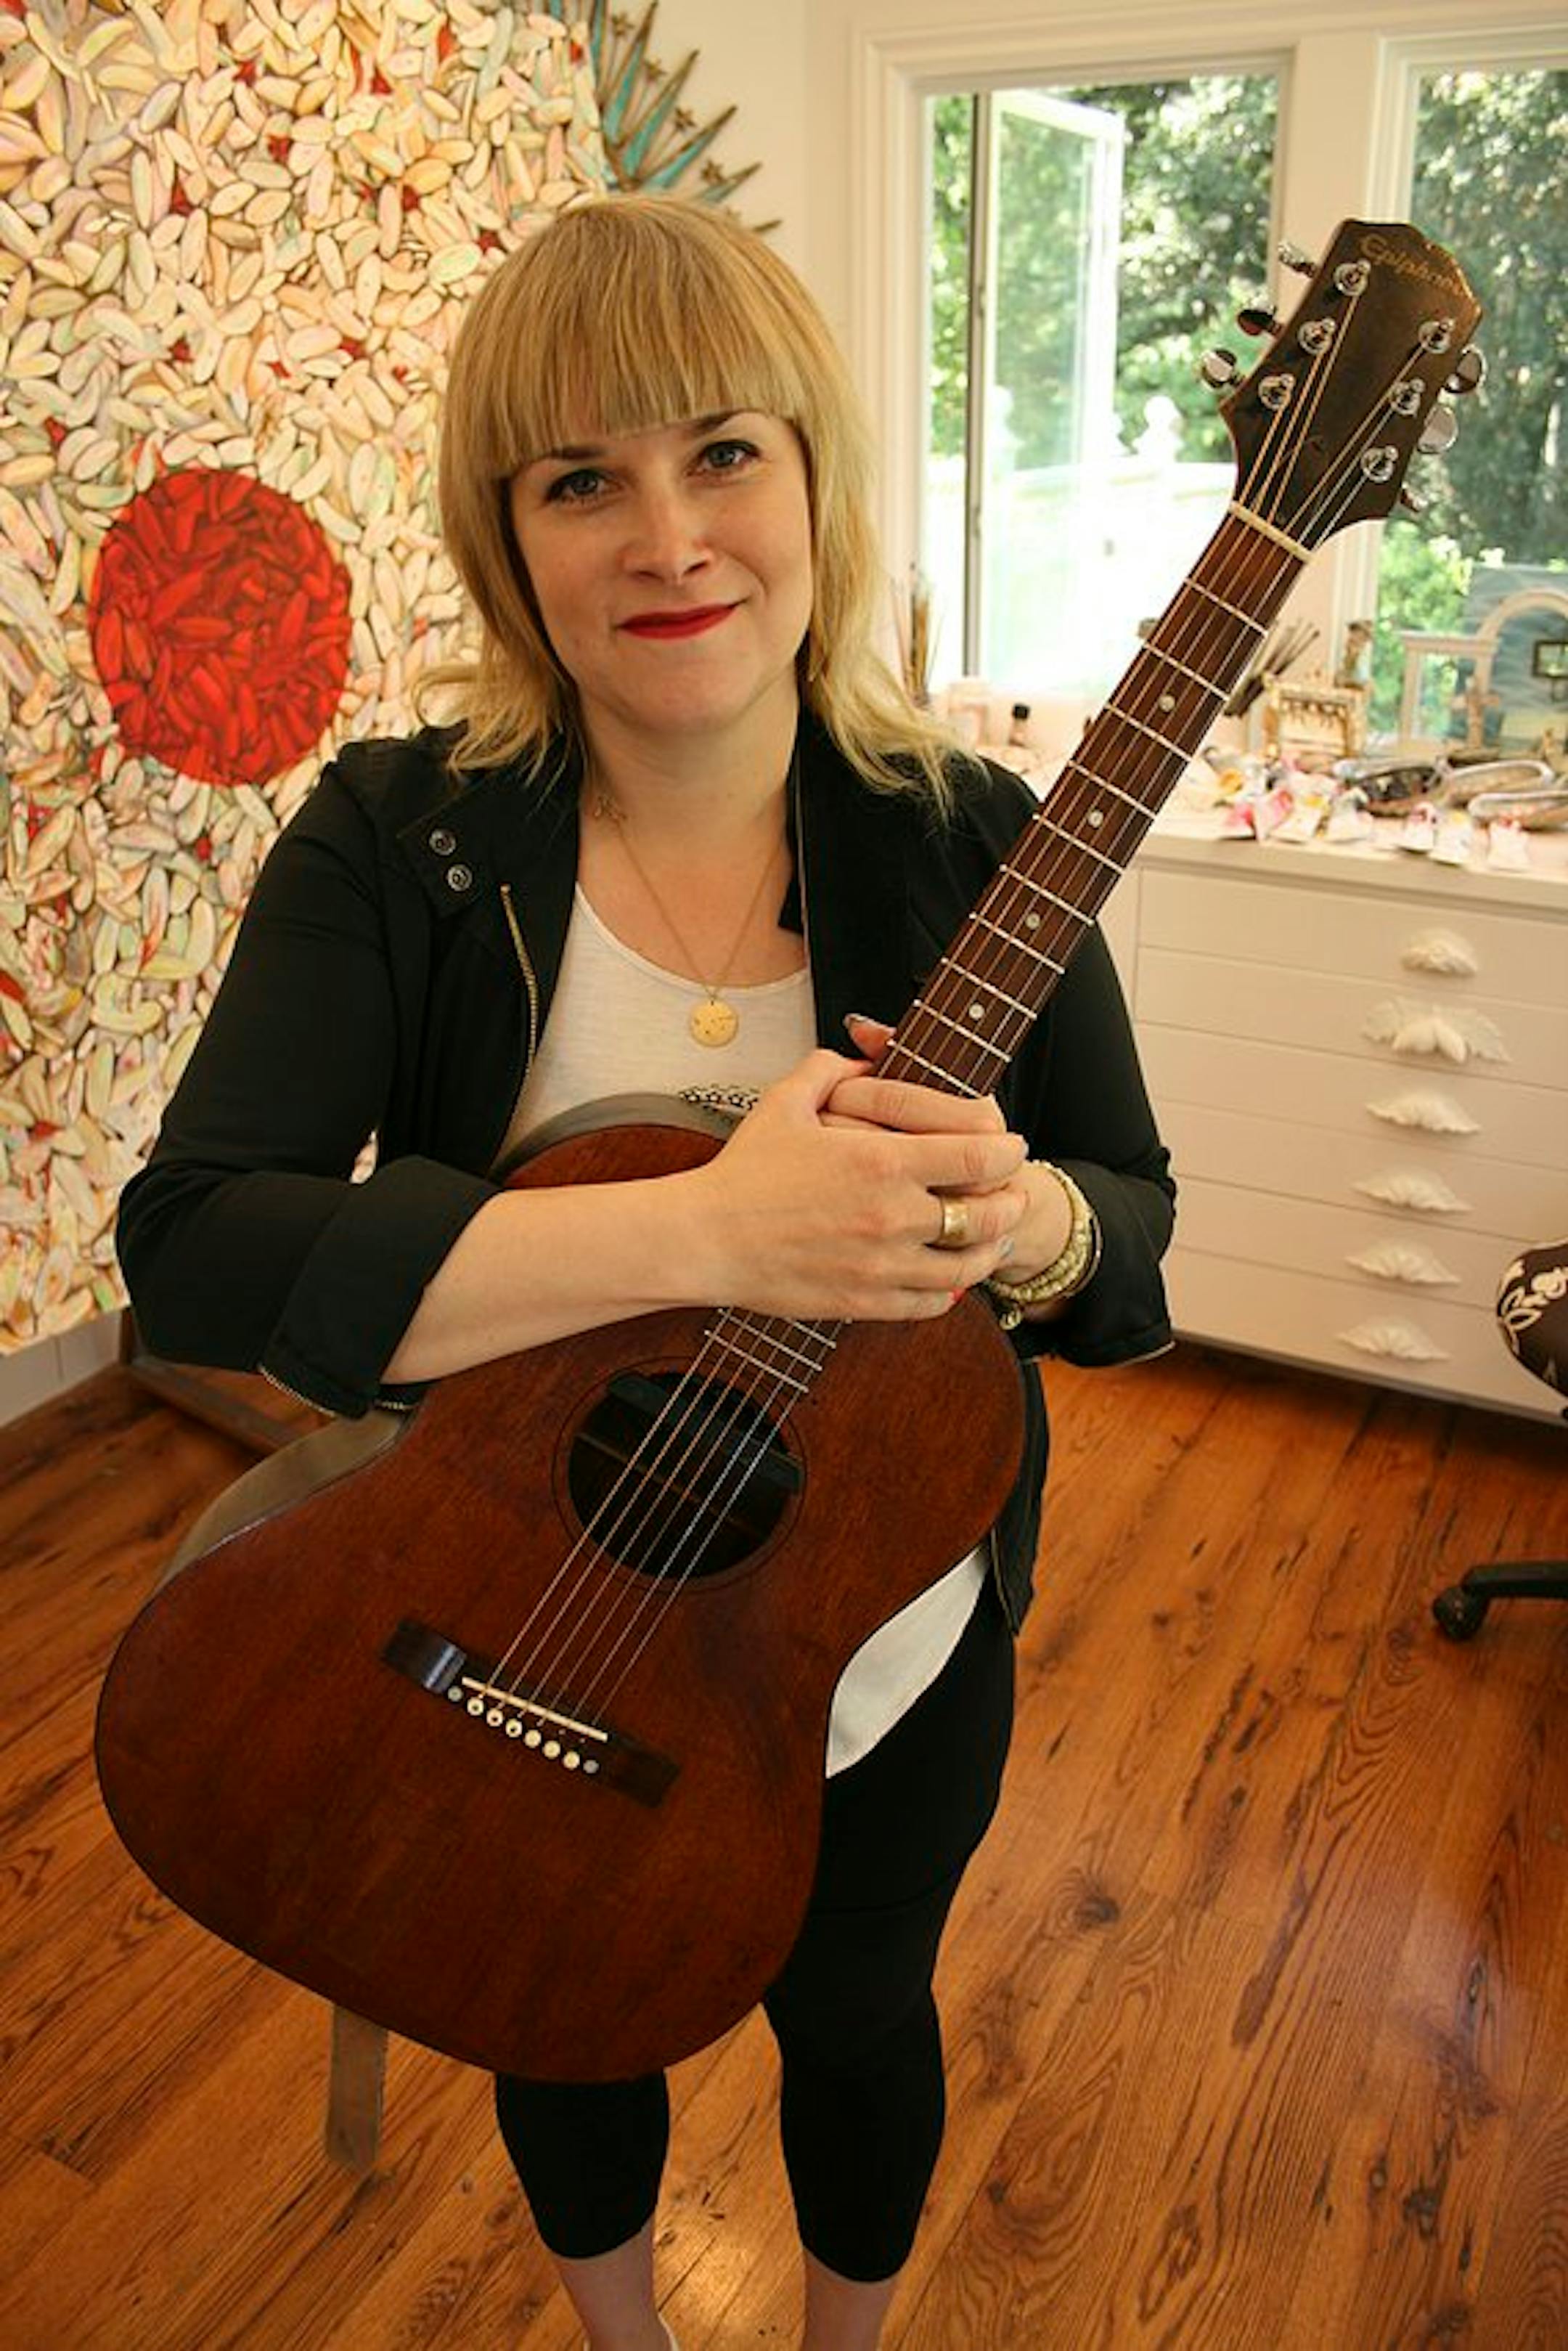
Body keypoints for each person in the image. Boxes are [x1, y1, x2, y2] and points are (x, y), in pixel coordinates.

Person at [117, 194, 1175, 2351]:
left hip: (867, 1640)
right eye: (581, 480)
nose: (669, 538)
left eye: (723, 453)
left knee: (861, 2020)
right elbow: (196, 1249)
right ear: (506, 538)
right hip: (492, 1594)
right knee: (549, 2005)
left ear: (816, 482)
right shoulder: (399, 839)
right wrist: (704, 1230)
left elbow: (1131, 1221)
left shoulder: (976, 836)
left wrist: (1028, 1222)